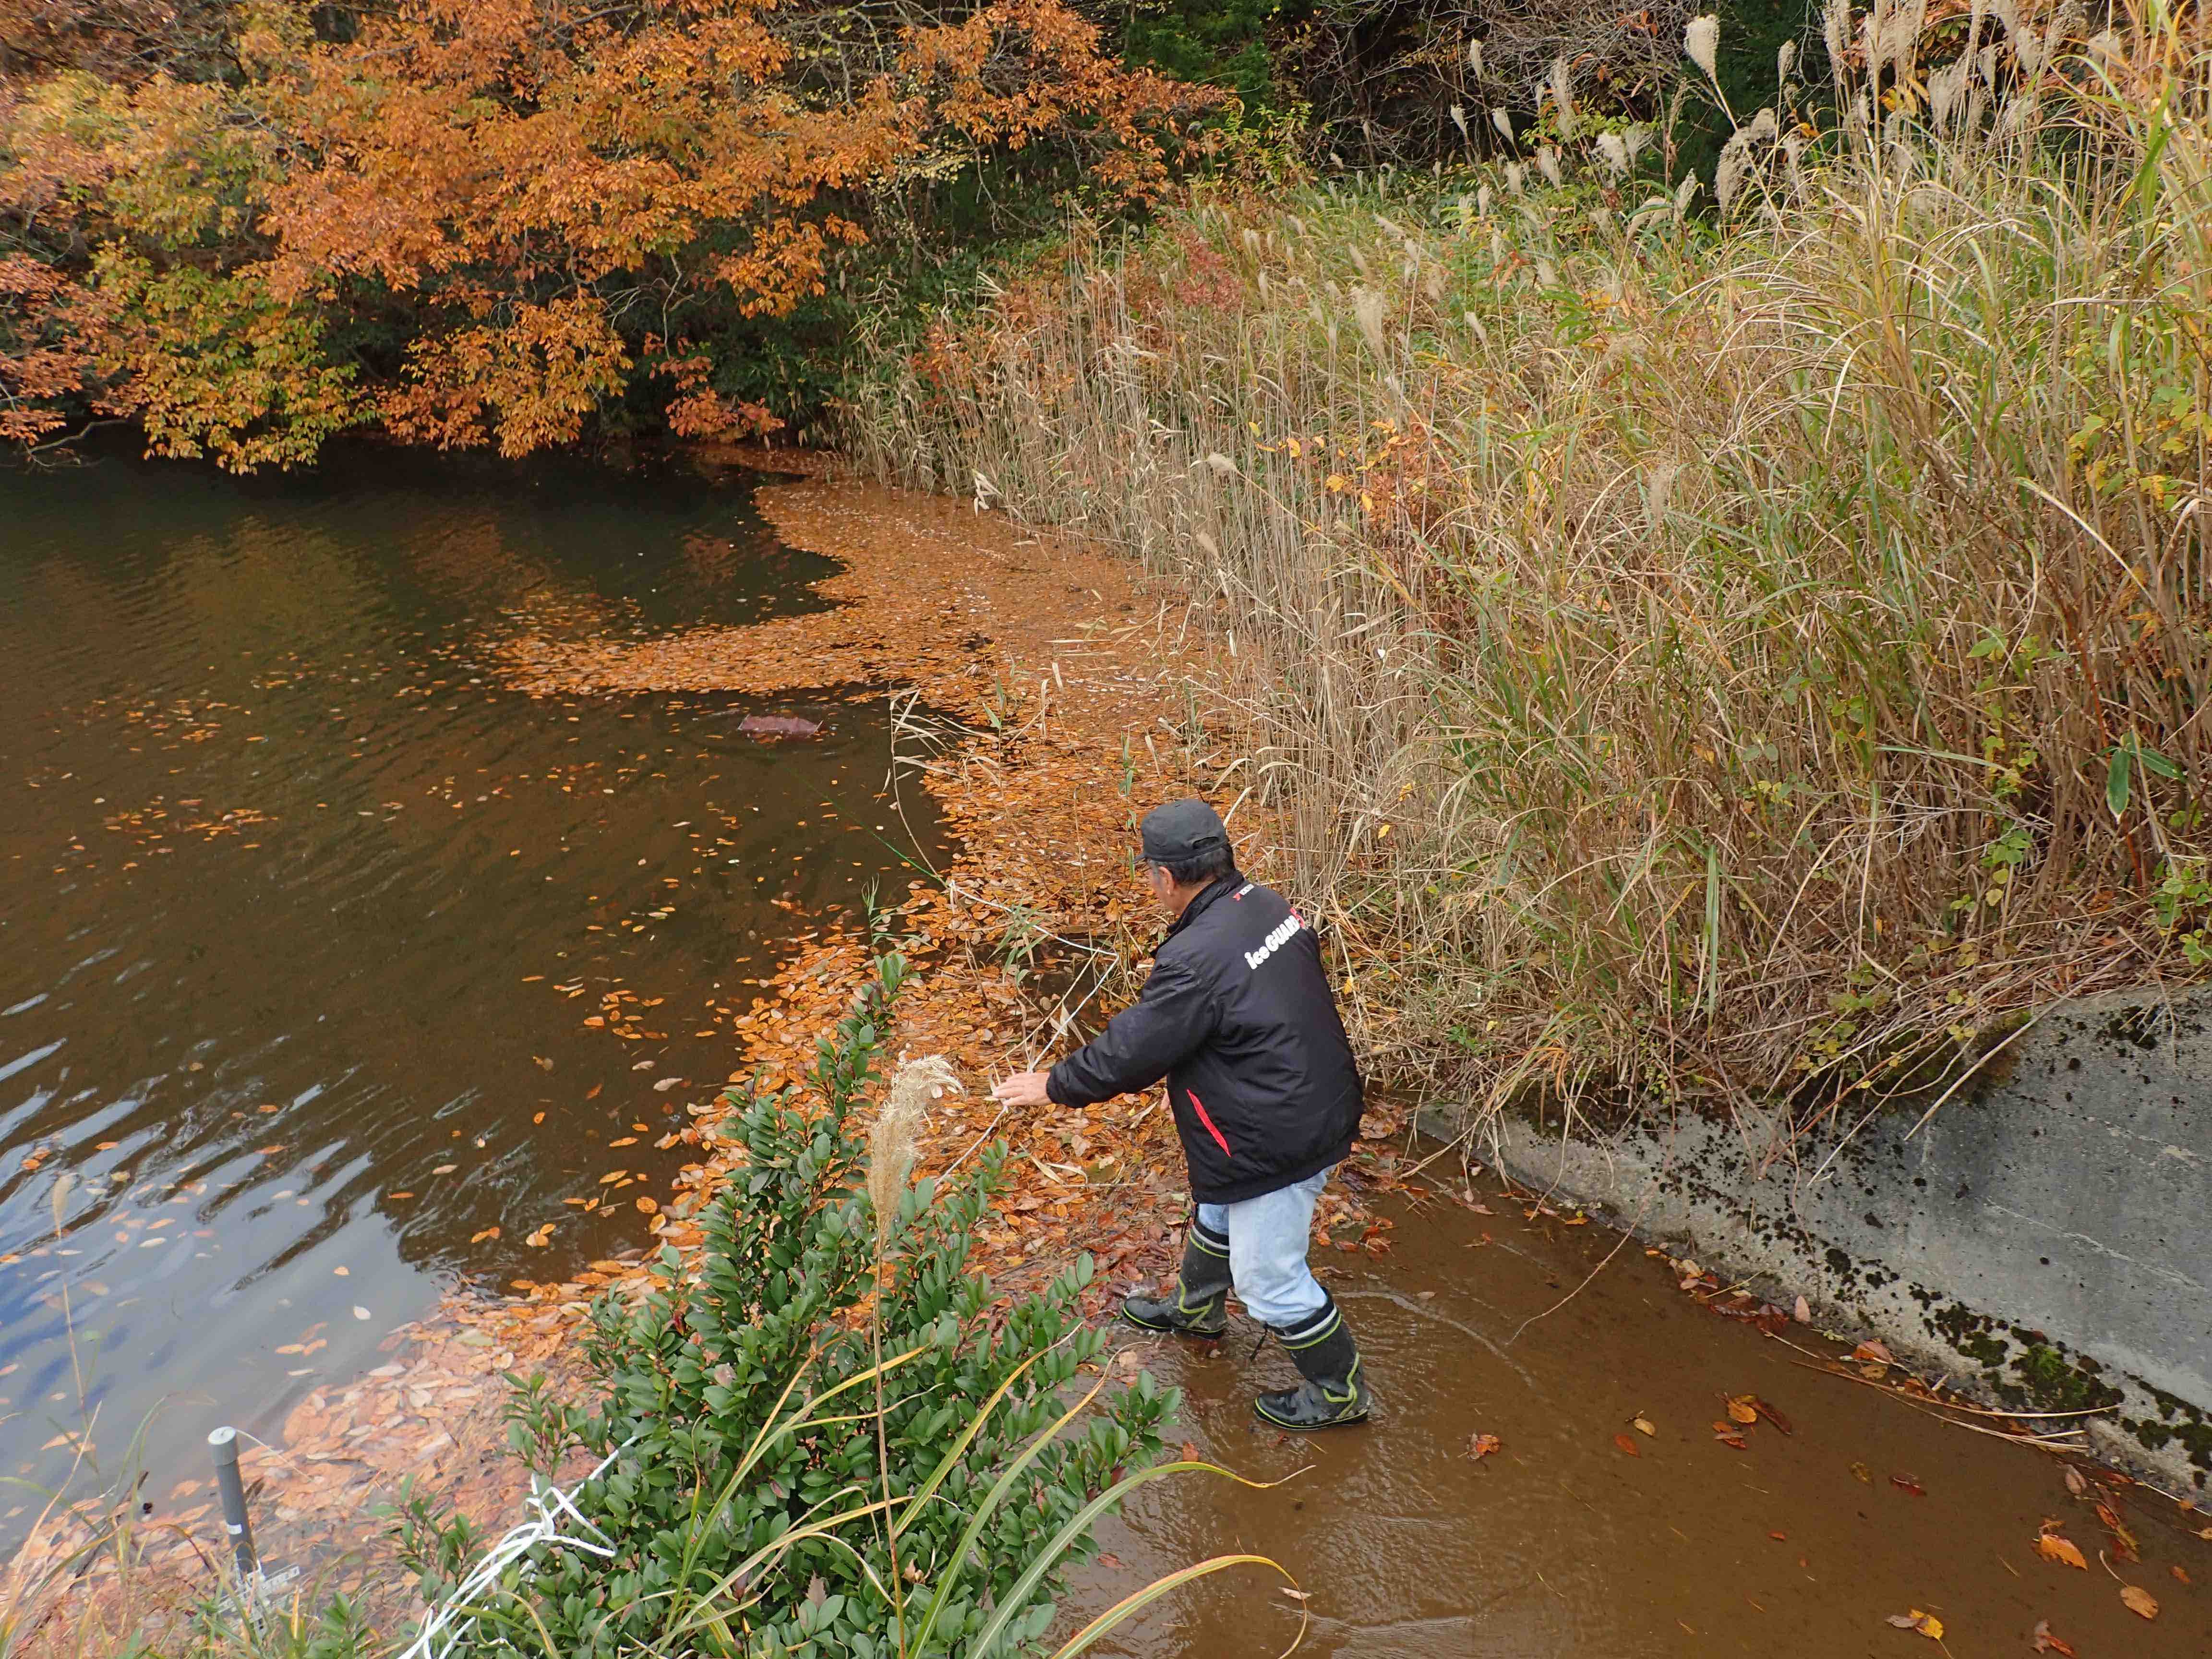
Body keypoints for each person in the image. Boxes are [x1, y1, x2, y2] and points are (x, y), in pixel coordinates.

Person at [991, 798, 1371, 1429]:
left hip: (1281, 1135)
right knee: (1220, 1206)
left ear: (1165, 877)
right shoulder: (1268, 907)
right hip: (1313, 1097)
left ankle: (1339, 1392)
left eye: (1148, 875)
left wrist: (1056, 1084)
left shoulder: (1196, 959)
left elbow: (1133, 1051)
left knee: (1268, 1279)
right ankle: (1198, 1313)